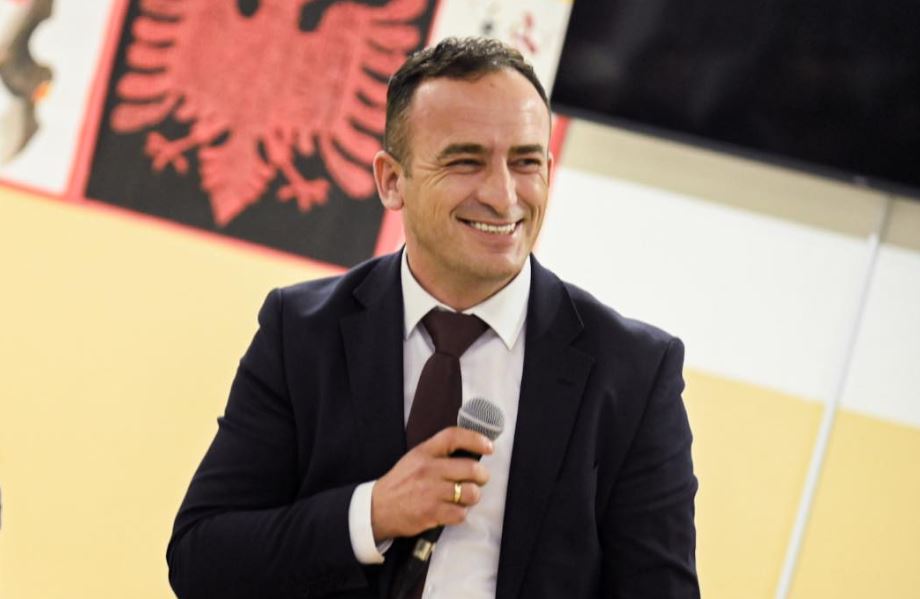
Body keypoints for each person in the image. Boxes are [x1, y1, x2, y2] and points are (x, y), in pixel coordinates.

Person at [167, 37, 699, 599]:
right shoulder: (300, 331)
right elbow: (202, 558)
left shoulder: (634, 372)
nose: (503, 196)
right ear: (391, 181)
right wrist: (371, 513)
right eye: (465, 161)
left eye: (525, 162)